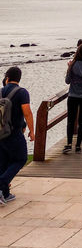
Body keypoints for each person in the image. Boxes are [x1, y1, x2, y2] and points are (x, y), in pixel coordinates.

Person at [0, 66, 34, 204]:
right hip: (14, 133)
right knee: (21, 159)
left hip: (1, 133)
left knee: (3, 162)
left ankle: (5, 194)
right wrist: (32, 130)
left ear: (7, 78)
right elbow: (27, 112)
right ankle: (2, 184)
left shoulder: (1, 92)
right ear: (19, 79)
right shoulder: (22, 92)